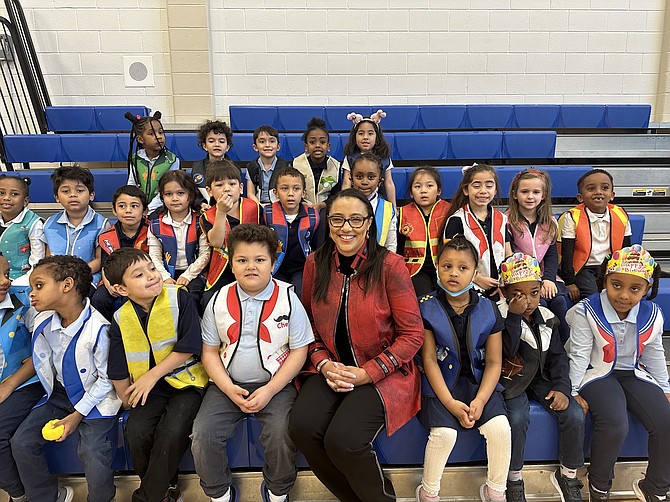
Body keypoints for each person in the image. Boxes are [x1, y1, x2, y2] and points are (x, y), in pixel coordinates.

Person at [288, 189, 423, 502]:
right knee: (302, 428)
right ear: (329, 223)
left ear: (368, 224)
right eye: (337, 219)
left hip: (382, 371)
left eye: (355, 219)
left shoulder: (391, 265)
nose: (346, 227)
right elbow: (306, 322)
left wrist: (367, 373)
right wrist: (323, 363)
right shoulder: (315, 263)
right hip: (331, 366)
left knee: (344, 439)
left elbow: (412, 334)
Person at [192, 224, 313, 502]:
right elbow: (209, 351)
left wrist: (270, 389)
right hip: (226, 385)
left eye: (259, 260)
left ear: (273, 262)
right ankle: (219, 492)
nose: (251, 267)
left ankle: (278, 489)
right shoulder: (217, 299)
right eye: (242, 260)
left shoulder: (288, 298)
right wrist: (228, 387)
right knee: (203, 434)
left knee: (282, 433)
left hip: (276, 385)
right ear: (231, 264)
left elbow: (299, 351)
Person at [11, 256, 121, 502]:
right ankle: (47, 496)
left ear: (67, 285)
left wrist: (78, 414)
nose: (32, 294)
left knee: (92, 451)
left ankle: (102, 498)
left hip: (96, 398)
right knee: (22, 442)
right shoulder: (42, 320)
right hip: (60, 394)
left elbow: (106, 380)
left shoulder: (99, 330)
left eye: (39, 286)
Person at [566, 245, 669, 502]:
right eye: (616, 285)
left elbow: (654, 352)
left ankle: (656, 487)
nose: (623, 295)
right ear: (605, 281)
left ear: (647, 289)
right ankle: (599, 487)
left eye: (635, 289)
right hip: (596, 374)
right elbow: (578, 354)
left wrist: (665, 388)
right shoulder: (586, 310)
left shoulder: (652, 313)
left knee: (666, 421)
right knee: (615, 423)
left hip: (633, 373)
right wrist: (573, 392)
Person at [104, 248, 208, 502]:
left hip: (187, 382)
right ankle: (166, 489)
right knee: (136, 432)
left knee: (171, 432)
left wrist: (151, 376)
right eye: (139, 275)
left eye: (152, 268)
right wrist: (124, 395)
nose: (152, 276)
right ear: (121, 290)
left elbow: (190, 345)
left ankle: (148, 497)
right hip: (150, 389)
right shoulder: (121, 317)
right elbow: (117, 365)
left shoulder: (179, 298)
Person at [415, 235, 511, 502]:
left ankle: (495, 491)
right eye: (446, 266)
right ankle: (429, 492)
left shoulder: (490, 309)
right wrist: (449, 402)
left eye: (462, 267)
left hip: (480, 383)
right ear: (437, 267)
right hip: (440, 385)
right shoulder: (425, 308)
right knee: (444, 434)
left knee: (500, 429)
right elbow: (430, 360)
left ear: (475, 273)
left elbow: (494, 362)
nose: (453, 274)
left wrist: (480, 400)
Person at [497, 253, 585, 502]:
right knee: (517, 418)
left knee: (574, 414)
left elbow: (558, 357)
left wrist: (561, 387)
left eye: (534, 293)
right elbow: (506, 351)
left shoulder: (547, 317)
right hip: (509, 381)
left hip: (541, 378)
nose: (528, 301)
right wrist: (513, 317)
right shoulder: (498, 316)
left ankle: (568, 474)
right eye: (519, 294)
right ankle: (513, 478)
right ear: (505, 292)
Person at [506, 168, 570, 343]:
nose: (530, 196)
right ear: (514, 194)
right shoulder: (507, 221)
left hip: (547, 276)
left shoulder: (550, 222)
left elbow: (551, 255)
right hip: (522, 278)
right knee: (538, 305)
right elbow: (510, 257)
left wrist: (548, 279)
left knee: (558, 302)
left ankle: (563, 346)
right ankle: (539, 346)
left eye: (536, 192)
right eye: (524, 191)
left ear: (543, 195)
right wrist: (535, 283)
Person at [0, 254, 42, 502]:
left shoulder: (24, 302)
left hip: (23, 383)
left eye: (6, 274)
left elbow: (43, 355)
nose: (4, 282)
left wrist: (8, 385)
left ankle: (20, 495)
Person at [558, 169, 631, 302]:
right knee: (594, 297)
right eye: (591, 188)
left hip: (611, 267)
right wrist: (569, 281)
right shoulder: (572, 217)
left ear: (612, 194)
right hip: (584, 269)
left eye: (605, 188)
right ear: (580, 197)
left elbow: (626, 249)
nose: (598, 192)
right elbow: (566, 253)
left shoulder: (621, 214)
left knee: (620, 294)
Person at [443, 163, 512, 301]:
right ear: (466, 190)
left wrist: (506, 280)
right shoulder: (457, 220)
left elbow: (508, 253)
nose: (483, 191)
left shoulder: (502, 218)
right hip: (469, 287)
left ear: (495, 189)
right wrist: (477, 278)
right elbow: (449, 260)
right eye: (476, 185)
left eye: (489, 185)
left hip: (500, 288)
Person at [199, 160, 262, 307]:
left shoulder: (254, 208)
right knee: (209, 301)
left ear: (240, 188)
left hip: (251, 264)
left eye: (232, 184)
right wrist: (221, 212)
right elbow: (216, 242)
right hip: (224, 269)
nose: (226, 189)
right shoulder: (208, 216)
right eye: (219, 185)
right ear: (209, 191)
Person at [42, 165, 110, 286]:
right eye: (65, 191)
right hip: (56, 278)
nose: (73, 195)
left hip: (87, 278)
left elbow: (99, 260)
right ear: (56, 197)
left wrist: (76, 274)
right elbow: (48, 258)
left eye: (79, 190)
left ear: (91, 195)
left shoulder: (102, 224)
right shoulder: (49, 224)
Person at [148, 170, 210, 298]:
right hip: (165, 273)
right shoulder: (155, 224)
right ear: (162, 197)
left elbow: (205, 254)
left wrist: (187, 275)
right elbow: (154, 256)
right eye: (168, 194)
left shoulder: (201, 221)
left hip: (195, 274)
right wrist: (164, 277)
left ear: (190, 196)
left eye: (180, 193)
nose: (174, 198)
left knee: (191, 296)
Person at [264, 166, 320, 297]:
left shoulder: (313, 217)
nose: (290, 193)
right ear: (275, 193)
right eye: (284, 189)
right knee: (276, 297)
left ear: (303, 193)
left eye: (296, 189)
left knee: (300, 296)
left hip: (302, 268)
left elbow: (318, 249)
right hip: (276, 267)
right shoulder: (267, 214)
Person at [397, 166, 450, 297]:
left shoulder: (449, 211)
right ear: (411, 193)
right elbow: (398, 248)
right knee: (426, 300)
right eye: (418, 187)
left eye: (429, 186)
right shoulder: (403, 213)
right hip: (415, 271)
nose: (423, 191)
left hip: (445, 267)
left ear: (439, 190)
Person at [126, 111, 180, 213]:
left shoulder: (171, 160)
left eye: (161, 132)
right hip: (140, 208)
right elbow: (132, 184)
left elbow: (169, 189)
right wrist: (135, 206)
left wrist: (149, 209)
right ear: (140, 139)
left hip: (163, 208)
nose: (159, 136)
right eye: (152, 134)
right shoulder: (135, 159)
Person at [341, 109, 397, 207]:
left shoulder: (384, 158)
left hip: (378, 201)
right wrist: (344, 204)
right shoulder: (350, 157)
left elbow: (389, 183)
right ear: (355, 136)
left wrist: (393, 206)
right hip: (355, 201)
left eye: (370, 133)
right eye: (361, 133)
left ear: (377, 137)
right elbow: (346, 182)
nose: (365, 137)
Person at [0, 175, 44, 284]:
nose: (6, 198)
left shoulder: (34, 223)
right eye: (1, 193)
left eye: (14, 194)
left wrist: (22, 282)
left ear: (25, 201)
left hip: (21, 279)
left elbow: (37, 261)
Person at [349, 152, 397, 253]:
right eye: (359, 177)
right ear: (351, 180)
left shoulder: (388, 209)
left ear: (380, 181)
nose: (364, 182)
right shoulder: (343, 205)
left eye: (371, 177)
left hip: (378, 263)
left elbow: (391, 245)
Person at [291, 117, 340, 210]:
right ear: (306, 147)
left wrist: (323, 205)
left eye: (322, 142)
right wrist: (301, 203)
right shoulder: (296, 164)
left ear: (328, 146)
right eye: (312, 142)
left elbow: (336, 195)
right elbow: (292, 189)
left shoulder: (336, 166)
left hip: (327, 208)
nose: (317, 145)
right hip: (300, 207)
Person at [192, 119, 234, 210]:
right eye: (211, 141)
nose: (217, 144)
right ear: (204, 146)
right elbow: (193, 195)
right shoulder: (197, 168)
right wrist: (201, 204)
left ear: (227, 147)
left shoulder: (234, 169)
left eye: (221, 141)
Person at [245, 125, 290, 206]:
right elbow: (250, 193)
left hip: (280, 205)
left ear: (278, 146)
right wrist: (259, 206)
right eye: (262, 142)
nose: (267, 145)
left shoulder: (285, 166)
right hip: (258, 205)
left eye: (272, 141)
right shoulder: (251, 166)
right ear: (255, 147)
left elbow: (286, 190)